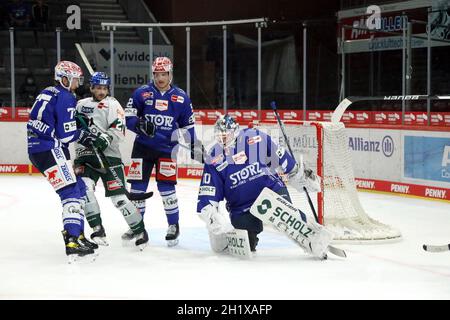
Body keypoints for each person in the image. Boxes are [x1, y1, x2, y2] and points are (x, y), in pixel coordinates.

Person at [196, 115, 331, 258]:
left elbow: (280, 155)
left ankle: (313, 239)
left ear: (235, 131)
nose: (223, 139)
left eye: (226, 135)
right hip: (242, 207)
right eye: (220, 136)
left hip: (270, 190)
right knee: (247, 245)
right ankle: (246, 234)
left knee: (288, 217)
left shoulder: (255, 137)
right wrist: (214, 219)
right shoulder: (214, 156)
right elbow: (208, 193)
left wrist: (296, 173)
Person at [124, 56, 203, 247]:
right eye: (157, 74)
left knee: (167, 189)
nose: (160, 78)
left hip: (167, 150)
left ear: (170, 74)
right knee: (137, 189)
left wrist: (193, 144)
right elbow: (128, 117)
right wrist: (139, 125)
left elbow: (188, 125)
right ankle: (137, 226)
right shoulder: (142, 93)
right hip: (142, 149)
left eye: (164, 74)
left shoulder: (181, 97)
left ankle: (173, 225)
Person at [27, 61, 102, 261]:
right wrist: (84, 134)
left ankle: (78, 235)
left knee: (77, 188)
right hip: (50, 149)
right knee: (71, 192)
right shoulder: (65, 96)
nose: (77, 84)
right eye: (75, 80)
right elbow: (66, 135)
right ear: (65, 78)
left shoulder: (48, 92)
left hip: (39, 149)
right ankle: (72, 240)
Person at [73, 72, 149, 249]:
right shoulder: (80, 105)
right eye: (97, 87)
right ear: (91, 87)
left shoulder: (113, 104)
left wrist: (103, 139)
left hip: (109, 157)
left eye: (104, 88)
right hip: (85, 156)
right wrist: (80, 131)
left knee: (119, 199)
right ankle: (97, 229)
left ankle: (139, 231)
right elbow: (71, 125)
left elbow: (119, 129)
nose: (101, 91)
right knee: (85, 190)